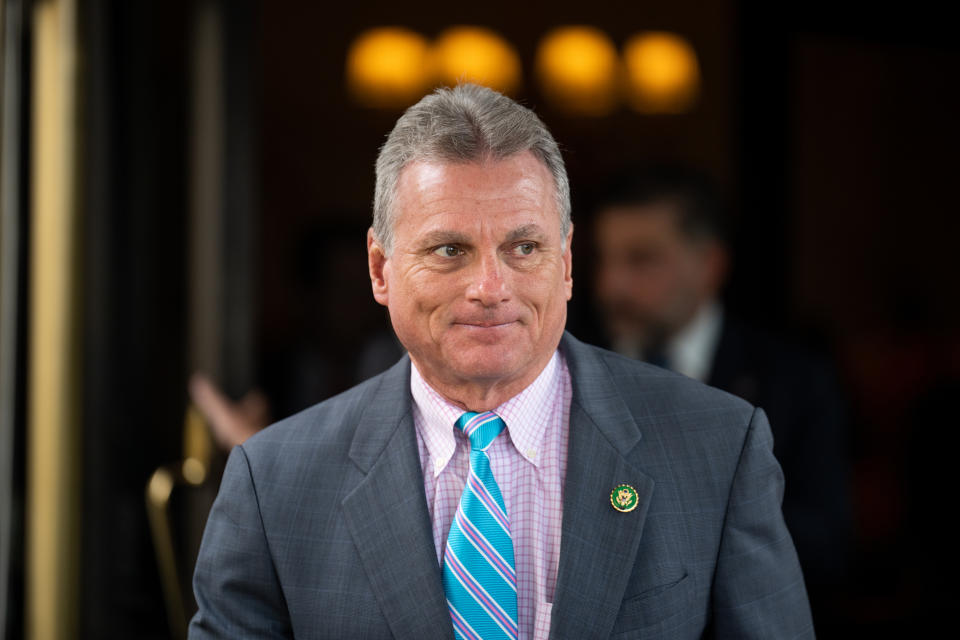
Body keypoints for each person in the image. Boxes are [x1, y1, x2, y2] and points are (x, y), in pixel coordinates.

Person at [189, 85, 813, 639]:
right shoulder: (274, 484)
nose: (491, 285)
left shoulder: (717, 447)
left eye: (523, 246)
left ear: (566, 262)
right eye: (450, 248)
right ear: (380, 268)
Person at [592, 165, 850, 616]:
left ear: (709, 265)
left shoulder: (793, 380)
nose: (612, 285)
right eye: (604, 259)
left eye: (641, 259)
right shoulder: (567, 367)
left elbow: (829, 544)